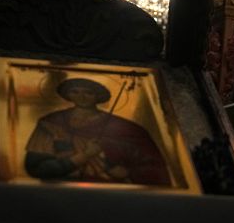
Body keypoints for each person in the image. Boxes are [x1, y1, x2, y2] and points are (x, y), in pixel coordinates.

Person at [25, 78, 171, 185]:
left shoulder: (127, 129)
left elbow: (154, 168)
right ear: (67, 95)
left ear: (98, 96)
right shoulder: (51, 123)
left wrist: (128, 173)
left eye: (88, 93)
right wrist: (84, 156)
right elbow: (36, 168)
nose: (81, 97)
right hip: (58, 192)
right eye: (75, 92)